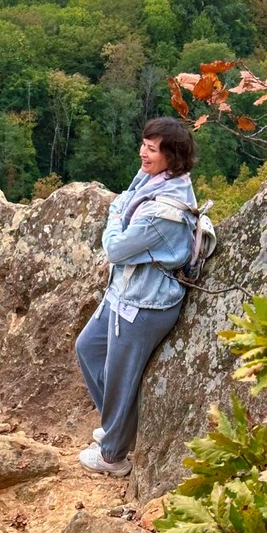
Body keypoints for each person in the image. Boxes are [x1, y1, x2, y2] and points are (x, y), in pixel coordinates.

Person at [75, 116, 198, 477]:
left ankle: (113, 456)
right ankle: (118, 426)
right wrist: (120, 209)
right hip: (125, 290)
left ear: (172, 158)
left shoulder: (167, 211)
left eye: (152, 148)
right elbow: (128, 198)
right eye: (144, 144)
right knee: (88, 348)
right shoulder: (153, 177)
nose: (143, 152)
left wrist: (114, 214)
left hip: (146, 303)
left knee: (121, 376)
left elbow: (115, 247)